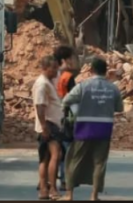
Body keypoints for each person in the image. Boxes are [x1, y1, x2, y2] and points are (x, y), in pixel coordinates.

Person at [62, 57, 123, 201]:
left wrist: (75, 111)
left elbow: (66, 101)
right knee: (99, 163)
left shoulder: (83, 86)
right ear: (105, 71)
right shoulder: (113, 88)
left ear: (91, 70)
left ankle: (69, 194)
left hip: (84, 128)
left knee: (74, 159)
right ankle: (94, 195)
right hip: (104, 129)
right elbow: (119, 108)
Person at [34, 55, 64, 201]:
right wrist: (45, 127)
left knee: (45, 158)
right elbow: (40, 106)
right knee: (55, 156)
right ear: (45, 68)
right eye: (53, 68)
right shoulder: (42, 84)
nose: (56, 71)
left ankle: (44, 190)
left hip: (50, 124)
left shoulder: (49, 82)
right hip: (49, 124)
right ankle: (52, 189)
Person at [54, 46, 78, 192]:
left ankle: (47, 181)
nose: (72, 61)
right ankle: (64, 180)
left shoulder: (50, 75)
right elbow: (73, 99)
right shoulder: (67, 77)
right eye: (70, 58)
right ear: (65, 60)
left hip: (52, 116)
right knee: (66, 150)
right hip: (65, 117)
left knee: (52, 151)